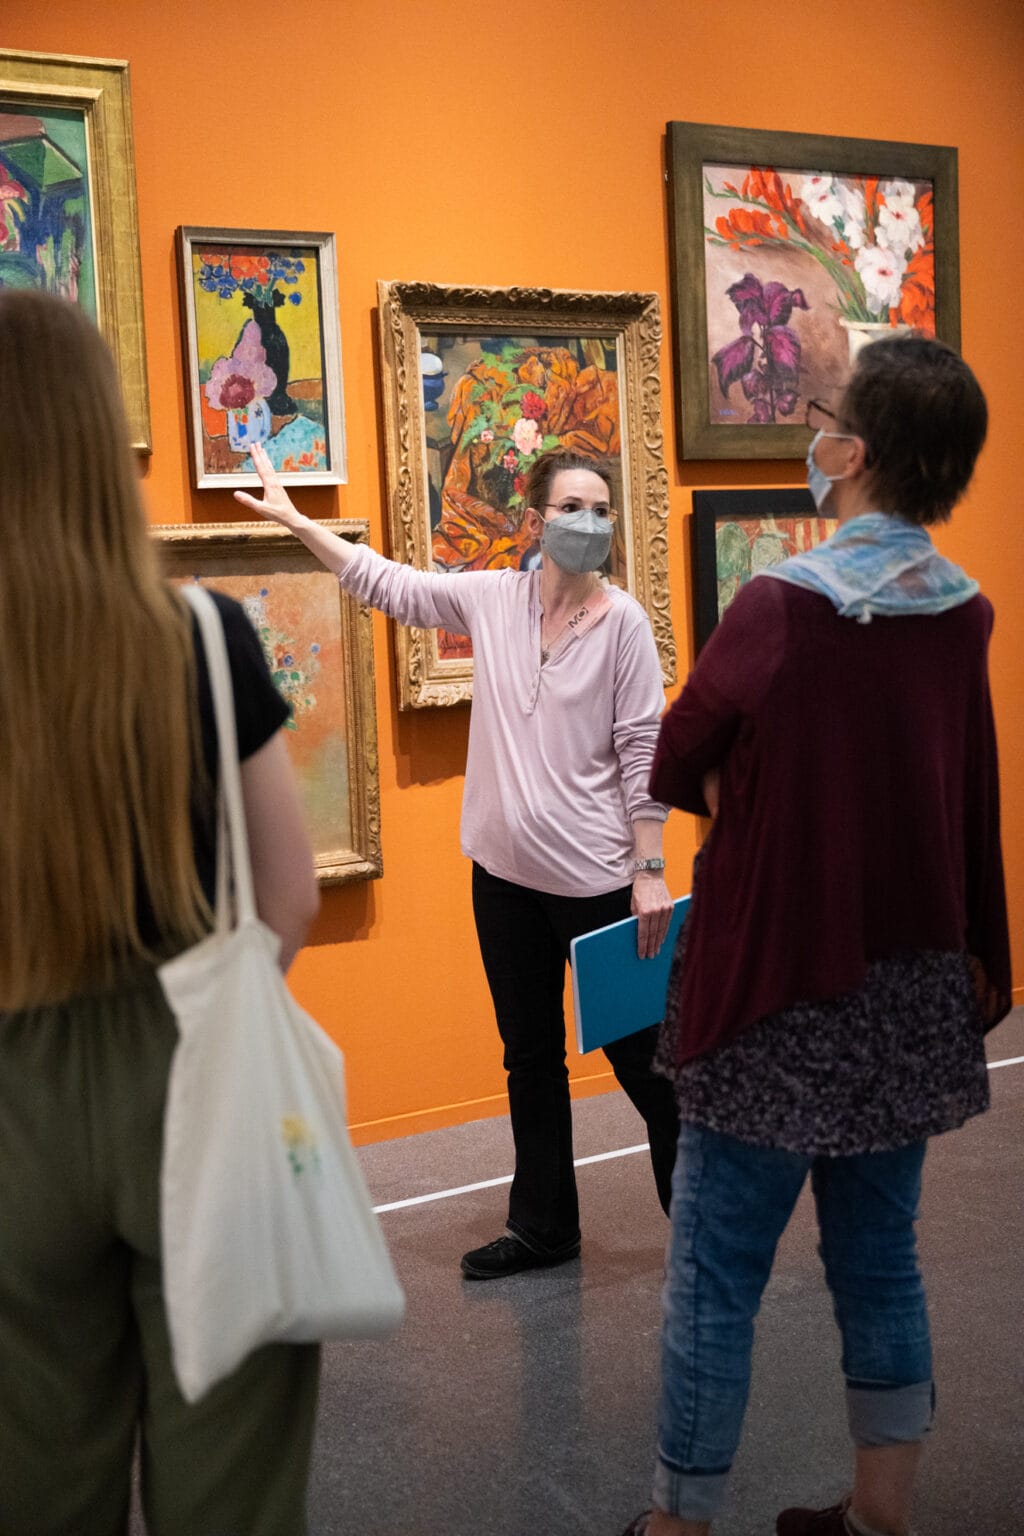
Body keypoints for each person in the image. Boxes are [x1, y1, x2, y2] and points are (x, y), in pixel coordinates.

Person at [621, 335, 1011, 1536]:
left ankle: (682, 1526)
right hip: (902, 991)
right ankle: (881, 1513)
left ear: (849, 450)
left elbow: (676, 750)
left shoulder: (778, 606)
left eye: (816, 411)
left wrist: (749, 777)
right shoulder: (964, 615)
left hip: (776, 986)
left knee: (714, 1272)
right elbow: (961, 796)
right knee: (880, 1258)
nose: (804, 426)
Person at [0, 290, 322, 1536]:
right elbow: (287, 896)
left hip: (14, 1089)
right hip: (191, 1068)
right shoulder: (198, 634)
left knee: (35, 1484)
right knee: (229, 1490)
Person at [236, 442, 681, 1279]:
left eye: (600, 510)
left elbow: (642, 746)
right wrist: (299, 523)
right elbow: (386, 583)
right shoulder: (492, 599)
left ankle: (709, 1231)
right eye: (572, 508)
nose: (589, 523)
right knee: (529, 1056)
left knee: (651, 1066)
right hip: (504, 883)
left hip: (597, 888)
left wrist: (649, 868)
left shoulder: (621, 622)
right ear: (533, 521)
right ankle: (545, 1226)